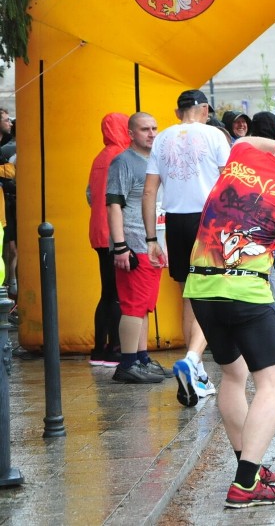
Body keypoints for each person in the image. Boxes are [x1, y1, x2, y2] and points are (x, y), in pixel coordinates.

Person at [184, 124, 275, 508]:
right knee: (273, 384)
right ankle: (246, 483)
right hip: (246, 291)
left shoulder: (243, 156)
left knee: (232, 376)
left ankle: (245, 467)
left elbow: (249, 140)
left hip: (200, 288)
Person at [142, 89, 231, 405]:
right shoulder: (214, 135)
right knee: (214, 295)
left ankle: (198, 373)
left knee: (189, 296)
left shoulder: (162, 138)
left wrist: (152, 238)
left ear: (179, 111)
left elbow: (149, 192)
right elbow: (228, 184)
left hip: (176, 221)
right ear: (204, 109)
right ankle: (193, 360)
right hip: (209, 219)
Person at [106, 112, 170, 383]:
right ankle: (128, 363)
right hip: (134, 244)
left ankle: (141, 358)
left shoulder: (155, 160)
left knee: (145, 305)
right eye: (145, 129)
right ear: (131, 133)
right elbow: (113, 205)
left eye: (155, 128)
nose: (152, 133)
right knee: (133, 305)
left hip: (154, 243)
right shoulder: (123, 162)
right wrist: (120, 246)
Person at [86, 112, 129, 367]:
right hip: (115, 232)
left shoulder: (99, 157)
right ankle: (115, 348)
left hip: (98, 231)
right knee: (117, 293)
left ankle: (99, 348)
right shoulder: (122, 157)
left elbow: (90, 194)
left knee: (107, 292)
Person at [0, 109, 16, 297]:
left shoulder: (6, 146)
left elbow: (11, 172)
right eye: (6, 120)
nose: (10, 122)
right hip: (5, 203)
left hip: (6, 204)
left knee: (10, 247)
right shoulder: (7, 148)